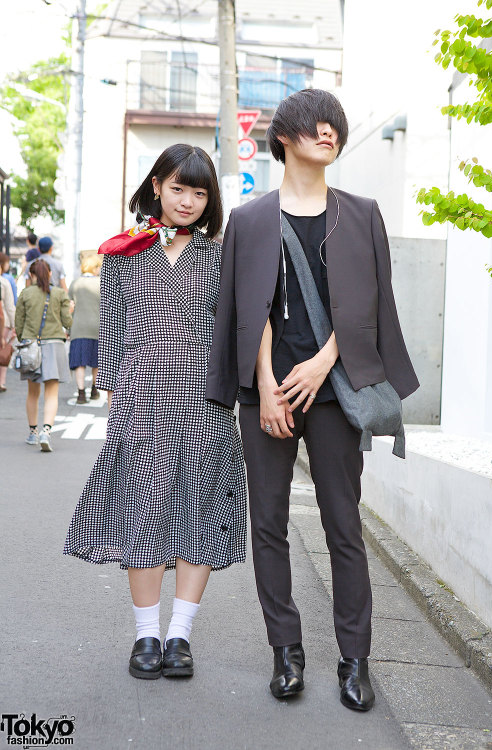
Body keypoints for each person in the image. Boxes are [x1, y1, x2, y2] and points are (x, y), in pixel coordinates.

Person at [207, 89, 419, 710]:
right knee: (268, 524)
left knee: (343, 524)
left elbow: (371, 304)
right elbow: (250, 308)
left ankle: (356, 659)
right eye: (314, 125)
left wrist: (324, 360)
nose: (328, 133)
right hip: (270, 394)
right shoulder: (249, 220)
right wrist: (269, 386)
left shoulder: (362, 213)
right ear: (285, 138)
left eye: (335, 126)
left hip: (335, 392)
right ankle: (287, 652)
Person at [64, 144, 246, 681]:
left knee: (201, 516)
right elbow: (114, 334)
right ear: (156, 188)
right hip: (141, 405)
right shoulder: (123, 254)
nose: (187, 200)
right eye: (177, 188)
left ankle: (180, 636)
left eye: (199, 191)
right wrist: (117, 398)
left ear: (209, 199)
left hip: (205, 407)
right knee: (144, 515)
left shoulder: (220, 256)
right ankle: (146, 634)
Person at [15, 258, 72, 451]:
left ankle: (32, 432)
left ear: (31, 275)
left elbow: (19, 325)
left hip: (32, 346)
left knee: (33, 393)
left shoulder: (25, 294)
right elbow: (67, 322)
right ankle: (46, 431)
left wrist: (25, 340)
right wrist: (70, 310)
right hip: (54, 345)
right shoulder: (58, 294)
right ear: (49, 274)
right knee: (51, 393)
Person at [68, 255, 101, 404]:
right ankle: (94, 389)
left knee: (79, 362)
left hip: (79, 327)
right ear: (94, 268)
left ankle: (81, 393)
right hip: (98, 328)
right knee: (96, 362)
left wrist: (67, 327)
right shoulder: (102, 283)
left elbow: (70, 307)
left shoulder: (75, 283)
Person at [0, 253, 16, 392]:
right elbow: (10, 306)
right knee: (3, 351)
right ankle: (2, 381)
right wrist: (13, 324)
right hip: (3, 321)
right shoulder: (5, 281)